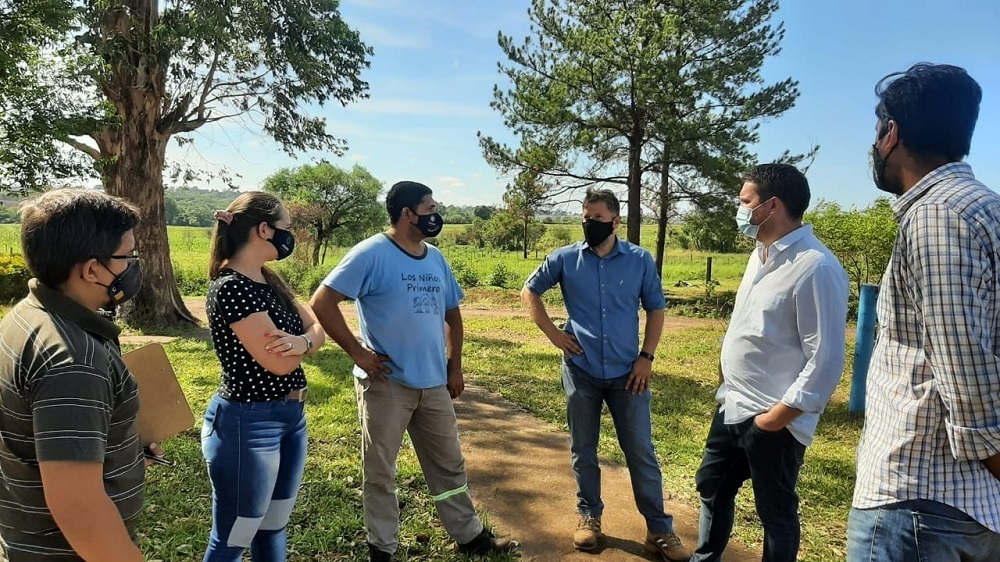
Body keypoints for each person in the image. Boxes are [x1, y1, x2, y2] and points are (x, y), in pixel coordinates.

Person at [310, 181, 516, 562]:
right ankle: (382, 549)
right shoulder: (371, 253)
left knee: (449, 466)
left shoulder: (435, 257)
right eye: (429, 207)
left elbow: (452, 311)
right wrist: (358, 353)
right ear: (408, 214)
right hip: (387, 384)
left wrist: (455, 365)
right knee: (380, 471)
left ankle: (470, 537)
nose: (436, 214)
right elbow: (323, 302)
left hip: (434, 383)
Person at [848, 63, 1000, 561]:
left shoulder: (938, 217)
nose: (874, 146)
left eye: (877, 131)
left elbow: (966, 370)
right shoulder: (986, 210)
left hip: (918, 505)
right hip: (971, 509)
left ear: (892, 133)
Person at [521, 188, 690, 562]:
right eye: (585, 216)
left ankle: (659, 529)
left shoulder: (639, 260)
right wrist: (553, 333)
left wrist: (647, 357)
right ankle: (589, 516)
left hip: (628, 374)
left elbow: (656, 310)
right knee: (584, 449)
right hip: (580, 371)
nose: (589, 223)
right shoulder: (564, 259)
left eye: (597, 218)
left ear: (615, 221)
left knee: (641, 452)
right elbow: (529, 292)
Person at [689, 164, 848, 562]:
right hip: (732, 404)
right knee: (712, 486)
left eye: (745, 201)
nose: (738, 209)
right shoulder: (758, 256)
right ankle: (705, 558)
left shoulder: (816, 267)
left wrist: (772, 421)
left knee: (774, 512)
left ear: (771, 205)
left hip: (774, 420)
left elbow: (826, 361)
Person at [0, 189, 158, 561]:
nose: (133, 265)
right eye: (127, 257)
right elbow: (79, 509)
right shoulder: (74, 361)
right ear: (91, 269)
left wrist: (120, 451)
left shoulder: (26, 316)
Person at [201, 192, 325, 562]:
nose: (292, 236)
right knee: (235, 537)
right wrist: (307, 343)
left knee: (273, 526)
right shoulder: (232, 287)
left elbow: (317, 327)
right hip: (248, 424)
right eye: (288, 228)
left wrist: (301, 341)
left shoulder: (269, 280)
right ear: (264, 229)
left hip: (290, 418)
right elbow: (280, 365)